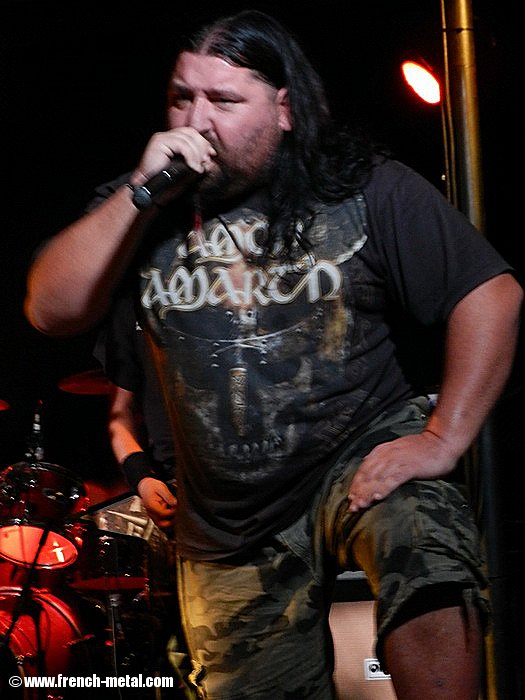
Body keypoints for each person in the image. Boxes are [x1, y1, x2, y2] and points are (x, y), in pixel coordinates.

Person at [24, 9, 522, 700]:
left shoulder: (361, 187)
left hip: (357, 456)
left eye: (224, 100)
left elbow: (489, 293)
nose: (197, 120)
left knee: (422, 544)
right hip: (228, 519)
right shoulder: (140, 207)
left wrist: (443, 438)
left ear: (284, 110)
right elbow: (50, 309)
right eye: (182, 97)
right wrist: (141, 191)